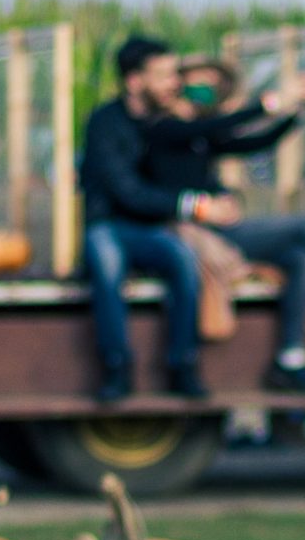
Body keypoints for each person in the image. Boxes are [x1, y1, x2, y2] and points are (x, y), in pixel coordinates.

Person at [145, 56, 305, 395]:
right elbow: (224, 126)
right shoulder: (167, 129)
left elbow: (253, 142)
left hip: (221, 228)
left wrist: (296, 114)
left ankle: (290, 358)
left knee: (302, 259)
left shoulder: (202, 135)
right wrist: (271, 103)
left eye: (213, 84)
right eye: (199, 81)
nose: (206, 90)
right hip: (202, 235)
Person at [76, 36, 211, 403]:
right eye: (164, 74)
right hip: (109, 225)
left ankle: (183, 363)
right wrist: (191, 205)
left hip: (150, 228)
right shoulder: (105, 123)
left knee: (184, 258)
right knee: (105, 258)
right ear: (135, 81)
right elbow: (125, 191)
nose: (175, 82)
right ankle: (117, 366)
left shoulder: (164, 122)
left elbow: (214, 130)